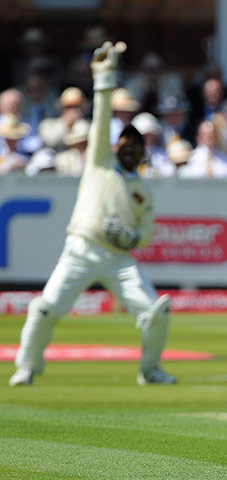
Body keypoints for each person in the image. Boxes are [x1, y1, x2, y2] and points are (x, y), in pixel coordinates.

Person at [9, 41, 177, 387]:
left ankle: (150, 370)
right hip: (81, 250)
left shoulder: (142, 189)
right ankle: (26, 367)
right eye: (124, 144)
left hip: (119, 257)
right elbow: (101, 120)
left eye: (136, 146)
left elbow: (146, 230)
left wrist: (131, 238)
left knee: (156, 313)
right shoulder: (100, 163)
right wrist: (105, 77)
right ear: (117, 147)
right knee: (44, 309)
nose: (129, 150)